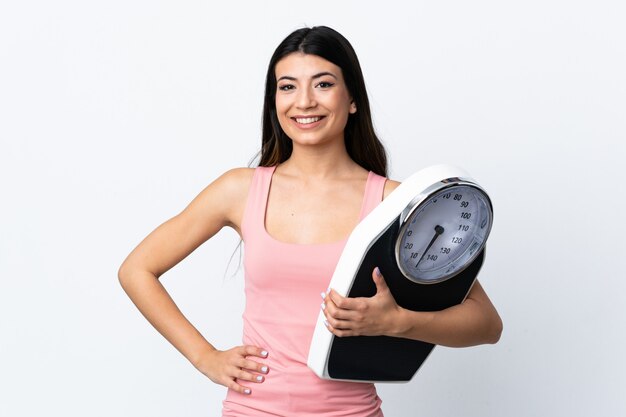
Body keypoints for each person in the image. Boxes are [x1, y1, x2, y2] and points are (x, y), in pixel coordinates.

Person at [118, 26, 502, 417]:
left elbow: (487, 324)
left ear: (352, 98)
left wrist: (398, 321)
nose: (304, 102)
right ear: (274, 101)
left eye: (322, 84)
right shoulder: (239, 189)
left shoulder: (394, 202)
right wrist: (204, 357)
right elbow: (137, 269)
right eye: (287, 87)